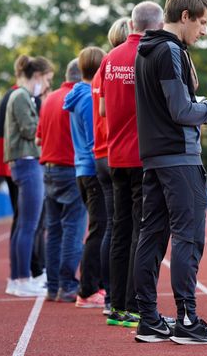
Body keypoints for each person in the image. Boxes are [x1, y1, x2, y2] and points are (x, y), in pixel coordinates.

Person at [133, 0, 207, 345]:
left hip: (154, 158)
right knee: (188, 239)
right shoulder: (170, 50)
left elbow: (166, 106)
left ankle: (148, 320)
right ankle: (187, 321)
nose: (204, 31)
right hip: (179, 158)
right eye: (203, 23)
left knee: (152, 237)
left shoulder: (144, 49)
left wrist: (198, 102)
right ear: (186, 16)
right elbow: (181, 112)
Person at [100, 2, 164, 327]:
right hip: (142, 154)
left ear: (130, 23)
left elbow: (101, 110)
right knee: (143, 229)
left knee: (120, 229)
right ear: (158, 25)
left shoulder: (108, 58)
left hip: (114, 155)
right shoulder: (152, 55)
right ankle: (135, 305)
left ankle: (115, 306)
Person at [3, 55, 53, 297]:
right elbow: (31, 130)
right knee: (29, 226)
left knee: (25, 225)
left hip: (24, 162)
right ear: (37, 76)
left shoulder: (22, 96)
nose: (46, 86)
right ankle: (22, 278)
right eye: (46, 80)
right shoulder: (22, 96)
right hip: (27, 162)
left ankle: (17, 278)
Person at [36, 59, 86, 301]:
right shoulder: (79, 97)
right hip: (70, 169)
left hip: (48, 170)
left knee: (53, 230)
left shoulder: (49, 100)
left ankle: (52, 285)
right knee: (73, 229)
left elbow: (38, 139)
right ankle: (67, 285)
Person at [63, 46, 108, 308]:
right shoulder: (88, 98)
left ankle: (95, 285)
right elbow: (94, 140)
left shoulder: (77, 94)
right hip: (92, 169)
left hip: (82, 169)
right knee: (98, 230)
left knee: (98, 229)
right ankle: (88, 289)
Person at [92, 17, 130, 316]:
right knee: (123, 228)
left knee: (112, 227)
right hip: (117, 150)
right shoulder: (121, 65)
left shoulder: (102, 68)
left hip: (100, 153)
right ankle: (119, 298)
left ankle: (110, 297)